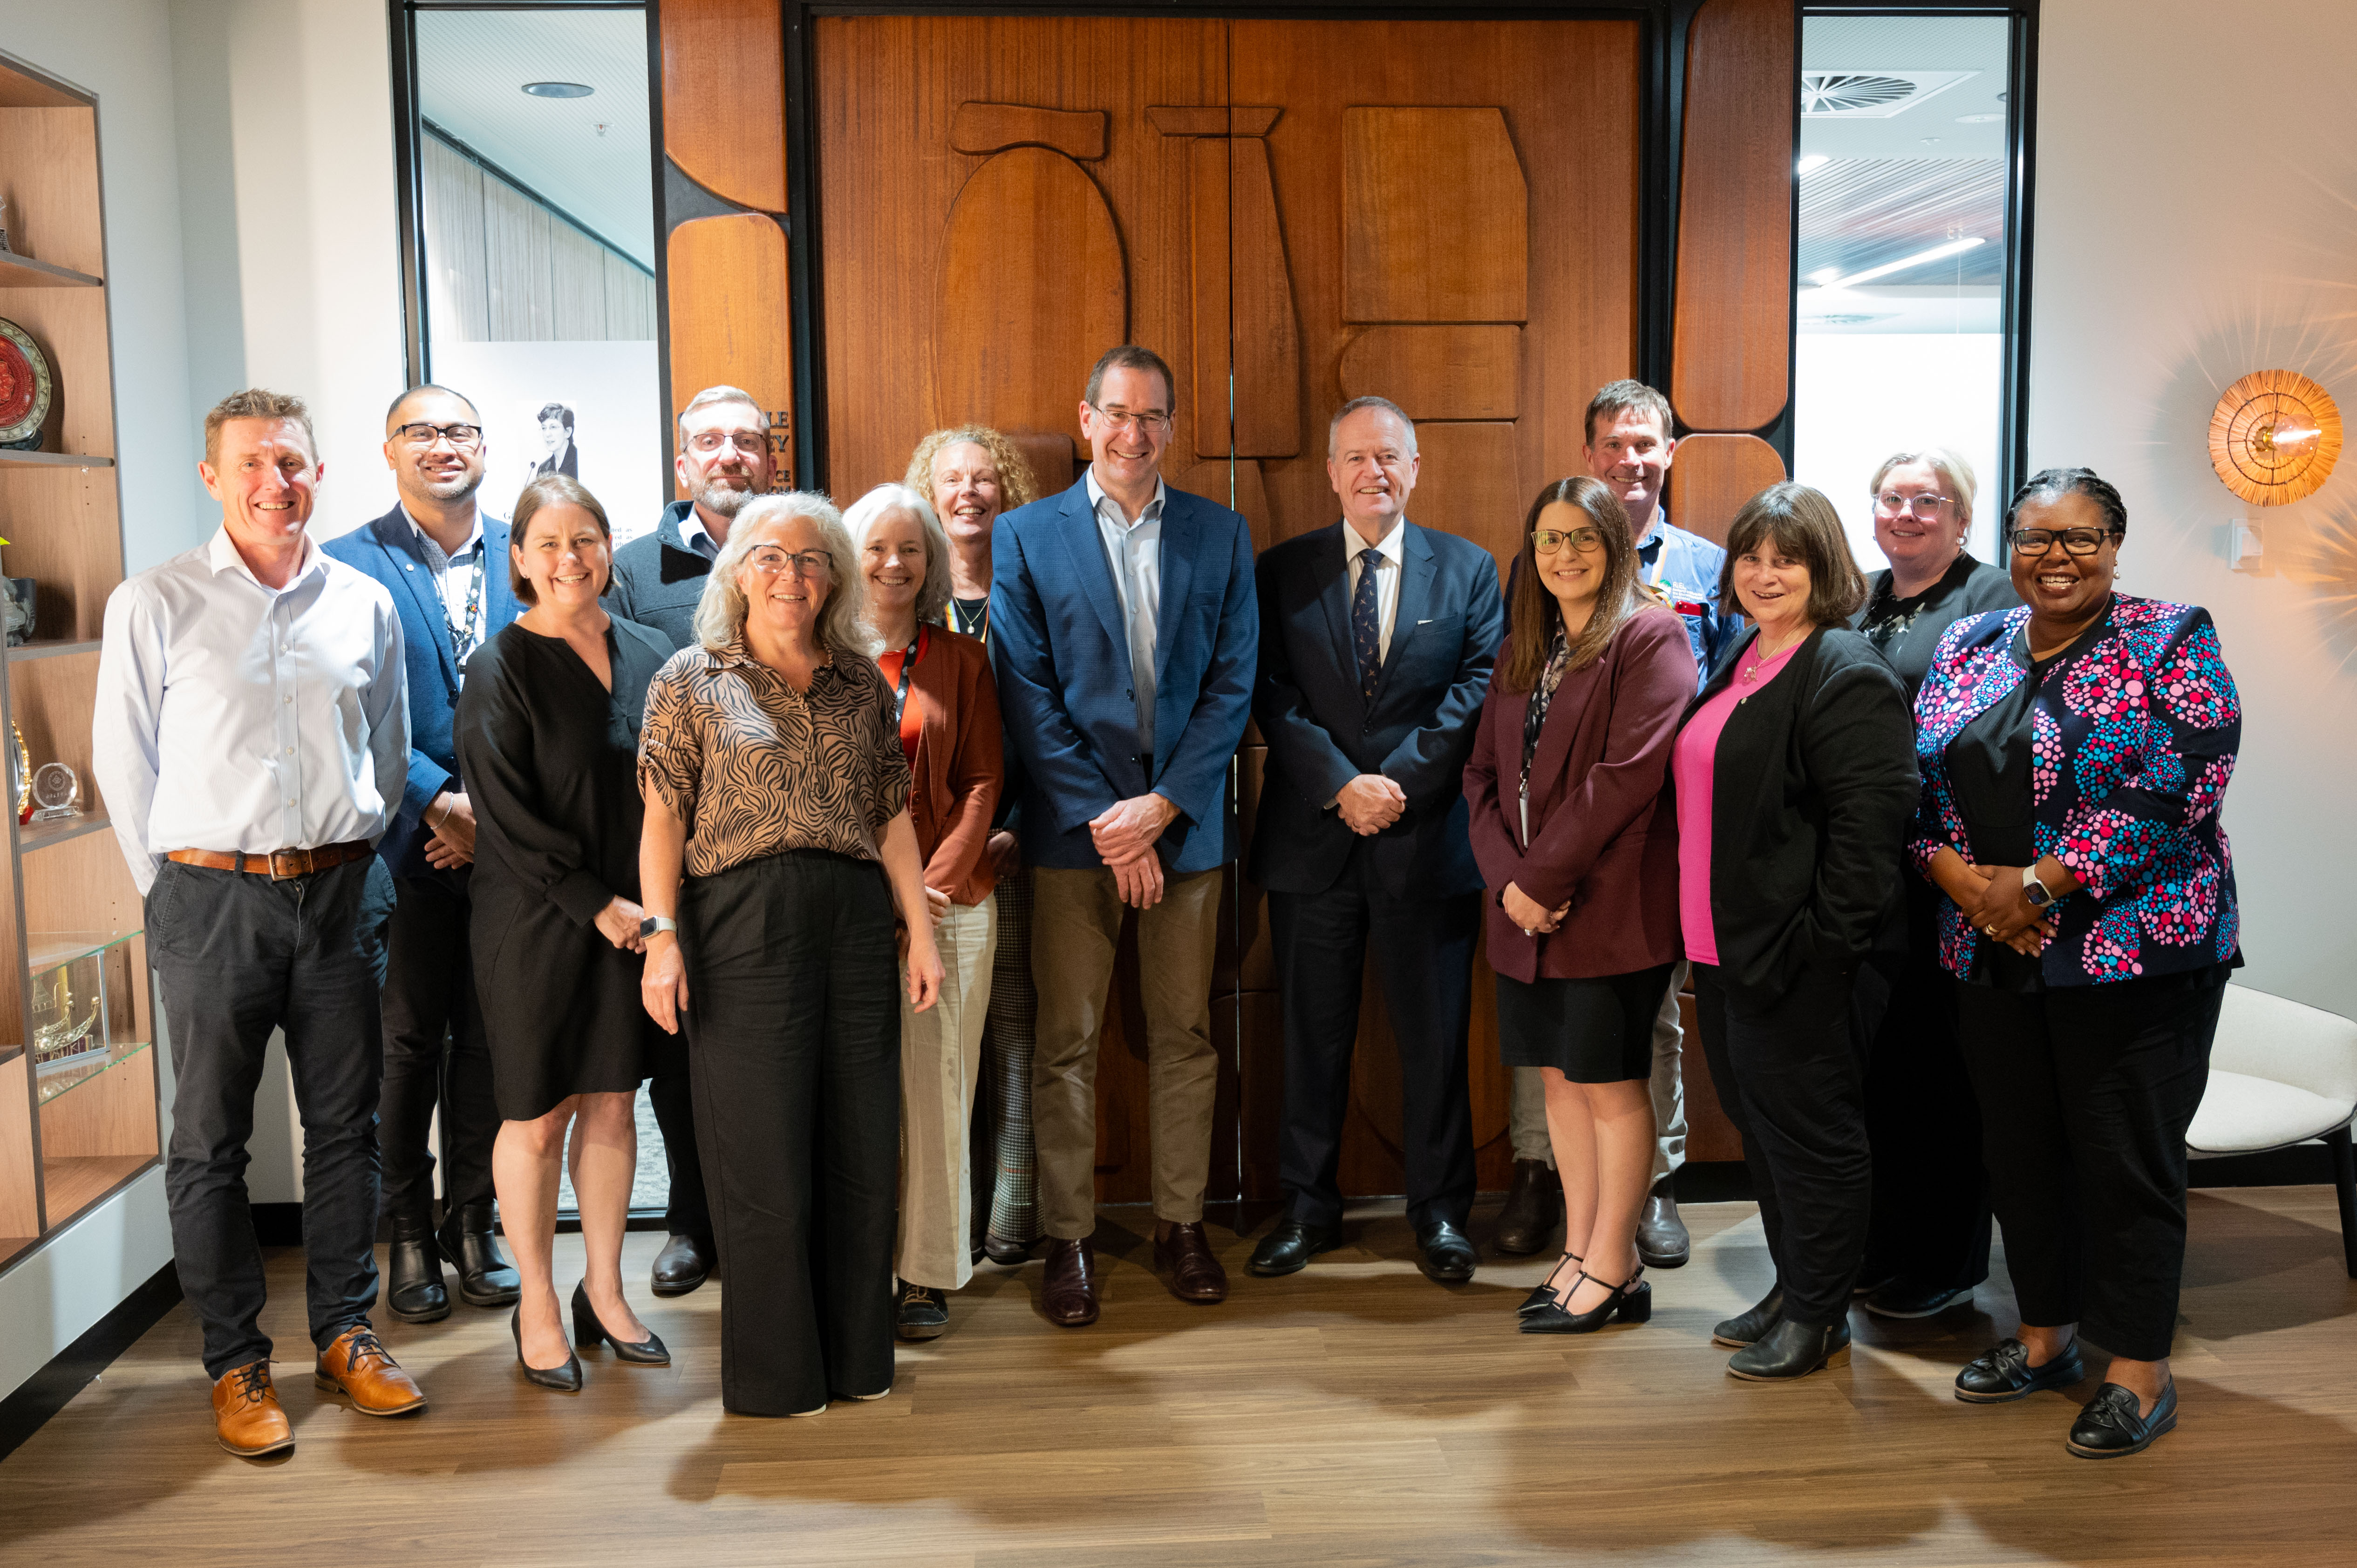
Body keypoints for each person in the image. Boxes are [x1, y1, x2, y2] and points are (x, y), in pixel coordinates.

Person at [93, 389, 423, 1457]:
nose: (273, 483)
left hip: (340, 896)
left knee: (347, 1128)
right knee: (208, 1141)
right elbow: (122, 758)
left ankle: (344, 1335)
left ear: (318, 473)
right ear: (212, 478)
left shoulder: (362, 602)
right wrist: (167, 888)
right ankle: (236, 1361)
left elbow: (386, 752)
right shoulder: (155, 601)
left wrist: (350, 858)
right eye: (250, 464)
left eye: (290, 463)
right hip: (209, 899)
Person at [1911, 468, 2240, 1460]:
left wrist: (2042, 886)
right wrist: (1970, 887)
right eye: (2035, 537)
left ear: (2114, 546)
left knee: (2124, 1160)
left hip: (2135, 954)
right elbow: (1916, 782)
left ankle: (2137, 1369)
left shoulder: (2168, 636)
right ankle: (2045, 1335)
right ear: (2009, 545)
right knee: (2019, 1154)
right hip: (1987, 945)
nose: (2056, 557)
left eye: (2080, 538)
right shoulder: (1971, 643)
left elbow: (2185, 773)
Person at [637, 492, 945, 1417]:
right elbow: (663, 819)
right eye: (770, 556)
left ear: (834, 579)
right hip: (740, 925)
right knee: (762, 1152)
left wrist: (921, 933)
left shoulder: (859, 681)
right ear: (738, 573)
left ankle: (857, 1359)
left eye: (812, 560)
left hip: (853, 923)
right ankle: (778, 1378)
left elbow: (891, 814)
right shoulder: (690, 679)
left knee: (861, 1145)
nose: (792, 575)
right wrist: (661, 938)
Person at [990, 344, 1257, 1326]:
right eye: (1116, 412)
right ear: (1087, 418)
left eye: (1150, 416)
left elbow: (1233, 682)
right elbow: (1026, 691)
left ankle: (1181, 1225)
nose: (1132, 432)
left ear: (1172, 427)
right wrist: (1114, 823)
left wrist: (1164, 806)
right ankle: (1069, 1238)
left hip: (1186, 830)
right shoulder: (1027, 536)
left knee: (1185, 1036)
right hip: (1076, 837)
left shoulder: (1220, 534)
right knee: (1066, 1043)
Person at [1244, 396, 1503, 1285]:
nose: (1373, 472)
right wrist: (1339, 783)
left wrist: (1394, 783)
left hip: (1425, 842)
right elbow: (1267, 687)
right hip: (1312, 843)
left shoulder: (1468, 569)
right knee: (1310, 1041)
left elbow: (1478, 685)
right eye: (1356, 457)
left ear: (1415, 468)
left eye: (1389, 456)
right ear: (1331, 471)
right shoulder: (1282, 570)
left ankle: (1441, 1213)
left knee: (1435, 1042)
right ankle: (1306, 1210)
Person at [1668, 482, 1916, 1381]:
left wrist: (1820, 954)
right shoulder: (1745, 651)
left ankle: (1820, 1314)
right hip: (1724, 949)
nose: (1765, 574)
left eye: (1788, 560)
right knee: (1765, 1133)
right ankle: (1794, 1287)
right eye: (1752, 557)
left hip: (1800, 961)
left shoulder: (1843, 669)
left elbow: (1869, 838)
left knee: (1814, 1140)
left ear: (1825, 568)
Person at [1499, 380, 1731, 1270]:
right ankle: (1547, 1180)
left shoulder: (1708, 571)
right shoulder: (1537, 583)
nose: (1630, 459)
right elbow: (1498, 747)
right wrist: (1519, 876)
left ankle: (1650, 1189)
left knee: (1643, 1031)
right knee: (1553, 1050)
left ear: (1669, 451)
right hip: (1542, 853)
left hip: (1644, 843)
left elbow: (1716, 706)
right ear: (1591, 454)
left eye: (1646, 443)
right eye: (1614, 444)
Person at [456, 475, 675, 1391]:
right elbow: (502, 813)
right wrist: (597, 903)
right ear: (518, 558)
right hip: (537, 921)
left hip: (638, 917)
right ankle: (539, 1303)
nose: (569, 558)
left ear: (608, 546)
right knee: (538, 1112)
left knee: (615, 1099)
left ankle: (607, 1292)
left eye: (585, 538)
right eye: (547, 543)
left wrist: (656, 911)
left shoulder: (655, 652)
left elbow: (676, 791)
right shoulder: (498, 666)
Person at [1466, 477, 1694, 1333]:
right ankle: (1583, 1252)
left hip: (1607, 904)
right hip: (1525, 910)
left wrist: (1540, 883)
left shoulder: (1650, 634)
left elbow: (1625, 777)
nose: (1565, 555)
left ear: (1615, 543)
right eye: (1549, 539)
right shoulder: (1526, 644)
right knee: (1559, 1083)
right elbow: (1481, 776)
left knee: (1610, 1086)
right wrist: (1509, 883)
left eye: (1584, 537)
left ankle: (1614, 1262)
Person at [324, 384, 524, 1325]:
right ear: (389, 450)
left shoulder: (531, 550)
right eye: (422, 432)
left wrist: (498, 817)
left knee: (489, 1040)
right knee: (405, 1047)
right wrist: (438, 802)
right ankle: (406, 1227)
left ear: (483, 446)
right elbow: (344, 708)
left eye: (459, 430)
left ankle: (474, 1219)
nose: (443, 445)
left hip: (514, 852)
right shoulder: (343, 563)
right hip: (405, 850)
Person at [605, 384, 773, 1296]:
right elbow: (624, 705)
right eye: (710, 442)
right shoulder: (635, 568)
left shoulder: (801, 545)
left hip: (782, 846)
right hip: (680, 844)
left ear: (770, 459)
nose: (729, 455)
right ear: (682, 463)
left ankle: (769, 1222)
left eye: (746, 441)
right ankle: (691, 1223)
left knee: (772, 1044)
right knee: (679, 1050)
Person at [1846, 448, 2018, 1322]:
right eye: (1892, 498)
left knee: (1947, 1077)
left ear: (1962, 516)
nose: (1906, 513)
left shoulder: (1993, 600)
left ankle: (1944, 1260)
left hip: (1950, 876)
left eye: (1928, 499)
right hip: (1871, 873)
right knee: (1882, 1069)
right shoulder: (1861, 599)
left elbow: (1991, 737)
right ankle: (1883, 1244)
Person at [846, 483, 1005, 1340]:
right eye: (877, 546)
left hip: (949, 907)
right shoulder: (822, 653)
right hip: (846, 908)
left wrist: (927, 894)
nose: (894, 563)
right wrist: (886, 896)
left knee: (939, 1092)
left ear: (931, 562)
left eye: (911, 548)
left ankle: (925, 1275)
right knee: (856, 1096)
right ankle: (858, 1262)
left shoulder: (962, 659)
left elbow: (982, 783)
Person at [904, 426, 1042, 1265]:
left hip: (1020, 845)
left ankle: (1014, 1206)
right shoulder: (907, 600)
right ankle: (948, 1218)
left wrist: (1017, 825)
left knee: (1015, 1027)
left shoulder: (1032, 591)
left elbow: (1054, 722)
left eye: (985, 478)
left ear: (1008, 492)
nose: (969, 492)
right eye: (951, 479)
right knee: (941, 1039)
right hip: (923, 862)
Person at [534, 403, 579, 479]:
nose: (547, 434)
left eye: (553, 427)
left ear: (568, 432)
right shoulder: (544, 468)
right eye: (544, 428)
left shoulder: (578, 461)